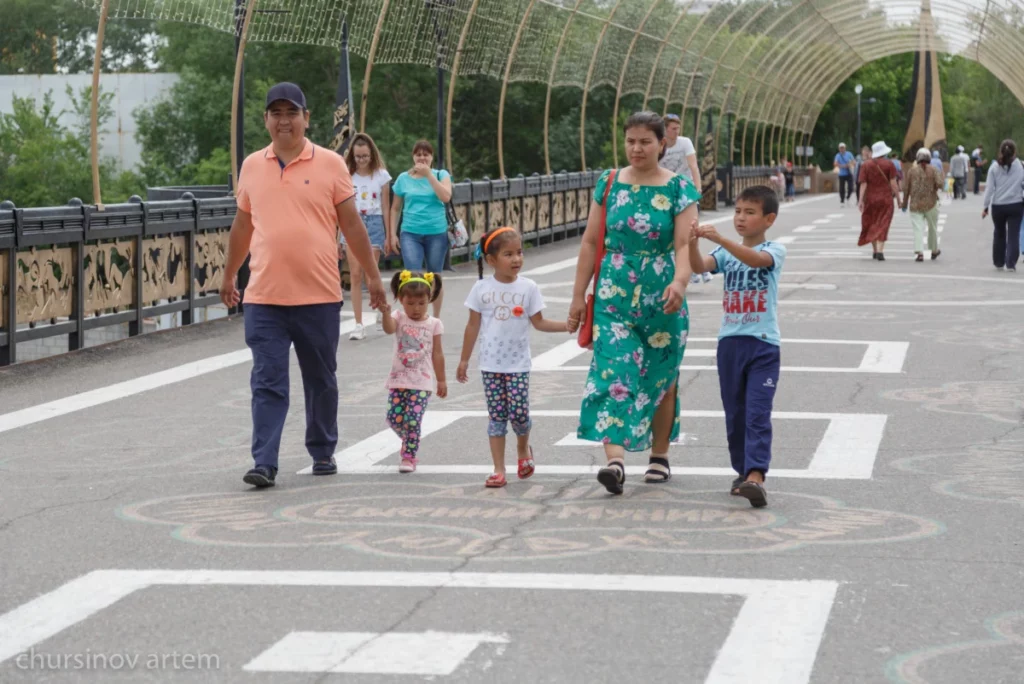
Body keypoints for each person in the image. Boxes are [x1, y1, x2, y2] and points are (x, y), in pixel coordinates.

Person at [222, 82, 386, 489]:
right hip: (264, 297)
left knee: (320, 379)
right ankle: (265, 461)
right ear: (266, 120)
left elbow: (352, 225)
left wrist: (374, 280)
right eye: (275, 114)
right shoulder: (251, 166)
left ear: (306, 118)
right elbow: (243, 226)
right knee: (267, 380)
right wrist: (228, 275)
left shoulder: (331, 164)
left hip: (318, 295)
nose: (284, 121)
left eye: (291, 113)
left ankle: (322, 449)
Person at [566, 111, 701, 494]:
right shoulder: (609, 183)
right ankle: (616, 461)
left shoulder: (679, 189)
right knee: (613, 374)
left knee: (662, 379)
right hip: (613, 298)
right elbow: (591, 241)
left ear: (663, 144)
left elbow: (682, 245)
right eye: (631, 141)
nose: (637, 148)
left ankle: (659, 456)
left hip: (663, 298)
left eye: (646, 141)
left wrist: (679, 281)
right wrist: (579, 295)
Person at [688, 185, 785, 508]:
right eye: (738, 211)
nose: (741, 218)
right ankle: (743, 471)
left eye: (750, 212)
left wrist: (720, 240)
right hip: (730, 343)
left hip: (763, 345)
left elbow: (756, 260)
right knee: (735, 413)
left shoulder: (774, 249)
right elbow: (700, 267)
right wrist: (692, 243)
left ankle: (756, 475)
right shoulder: (725, 254)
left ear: (769, 219)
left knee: (758, 411)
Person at [456, 226, 568, 488]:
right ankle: (498, 469)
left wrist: (568, 326)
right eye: (509, 254)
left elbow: (539, 322)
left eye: (519, 252)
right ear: (492, 260)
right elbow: (472, 326)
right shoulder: (481, 288)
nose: (516, 259)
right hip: (490, 365)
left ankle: (522, 448)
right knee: (496, 417)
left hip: (518, 365)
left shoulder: (528, 287)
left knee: (518, 414)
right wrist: (464, 360)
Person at [379, 270, 447, 472]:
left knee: (413, 420)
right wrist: (384, 313)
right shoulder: (399, 317)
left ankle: (409, 455)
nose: (416, 309)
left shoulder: (434, 324)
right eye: (410, 303)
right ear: (401, 300)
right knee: (394, 418)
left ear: (429, 300)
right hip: (398, 380)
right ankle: (410, 437)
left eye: (421, 303)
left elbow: (438, 354)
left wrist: (441, 380)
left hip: (422, 382)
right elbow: (389, 329)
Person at [390, 140, 452, 316]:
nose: (422, 158)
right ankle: (415, 314)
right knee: (413, 275)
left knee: (435, 275)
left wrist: (429, 176)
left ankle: (436, 316)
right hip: (410, 231)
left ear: (432, 157)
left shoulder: (441, 175)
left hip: (436, 231)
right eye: (418, 154)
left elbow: (446, 196)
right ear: (413, 157)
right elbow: (395, 208)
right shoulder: (403, 178)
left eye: (426, 154)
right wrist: (392, 234)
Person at [342, 132, 391, 340]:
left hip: (374, 222)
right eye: (358, 157)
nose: (362, 160)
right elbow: (339, 208)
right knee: (355, 274)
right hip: (352, 223)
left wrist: (389, 235)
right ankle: (359, 323)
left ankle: (381, 308)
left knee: (372, 275)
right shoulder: (346, 175)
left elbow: (386, 207)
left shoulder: (381, 176)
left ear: (372, 154)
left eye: (365, 156)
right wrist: (338, 237)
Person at [661, 113, 711, 285]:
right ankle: (686, 269)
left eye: (678, 128)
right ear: (665, 129)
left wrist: (697, 188)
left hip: (685, 189)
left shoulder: (684, 143)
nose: (676, 131)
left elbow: (693, 166)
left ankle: (699, 268)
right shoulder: (659, 144)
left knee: (691, 229)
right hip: (666, 190)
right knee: (673, 232)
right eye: (673, 128)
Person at [981, 139, 1024, 272]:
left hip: (998, 206)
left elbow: (989, 189)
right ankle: (1010, 263)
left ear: (1001, 151)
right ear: (1014, 152)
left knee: (999, 233)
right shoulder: (1021, 165)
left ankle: (999, 261)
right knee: (1013, 234)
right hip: (1016, 205)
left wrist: (985, 207)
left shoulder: (994, 167)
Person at [857, 140, 902, 261]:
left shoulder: (865, 165)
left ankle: (875, 250)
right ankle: (880, 250)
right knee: (884, 223)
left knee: (872, 223)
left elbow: (863, 184)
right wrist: (898, 199)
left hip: (870, 199)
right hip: (886, 199)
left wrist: (860, 200)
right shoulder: (889, 164)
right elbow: (893, 184)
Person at [901, 147, 944, 262]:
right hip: (931, 203)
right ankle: (934, 250)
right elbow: (940, 184)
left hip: (915, 205)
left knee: (918, 229)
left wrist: (904, 204)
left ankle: (919, 252)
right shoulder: (934, 170)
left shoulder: (911, 171)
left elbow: (906, 189)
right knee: (932, 228)